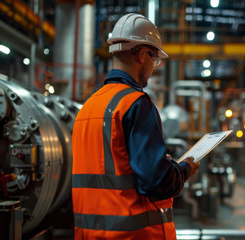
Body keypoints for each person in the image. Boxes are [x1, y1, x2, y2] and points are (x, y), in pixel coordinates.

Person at [71, 13, 200, 239]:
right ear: (142, 55)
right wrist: (184, 169)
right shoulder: (136, 104)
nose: (155, 68)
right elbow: (157, 182)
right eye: (155, 60)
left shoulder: (88, 107)